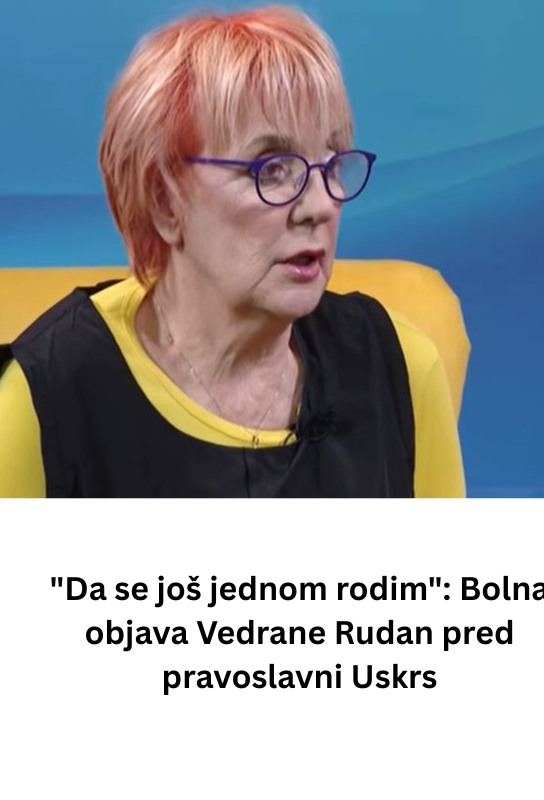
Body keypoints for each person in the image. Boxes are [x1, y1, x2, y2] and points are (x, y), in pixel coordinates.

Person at [0, 5, 465, 498]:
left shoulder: (400, 368)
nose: (320, 206)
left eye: (330, 163)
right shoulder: (42, 402)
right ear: (164, 201)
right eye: (272, 168)